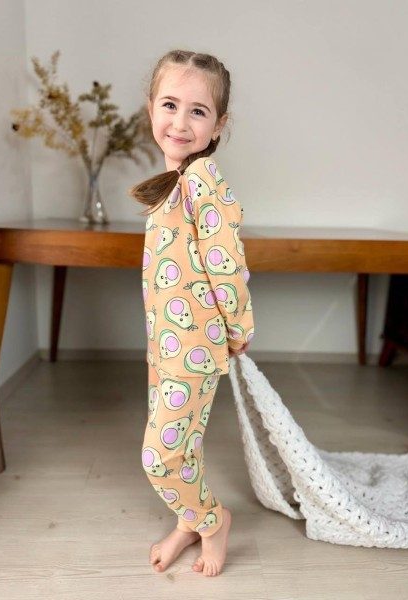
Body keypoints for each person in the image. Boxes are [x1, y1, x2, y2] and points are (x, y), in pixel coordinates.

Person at [129, 49, 255, 578]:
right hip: (166, 343)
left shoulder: (203, 181)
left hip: (195, 347)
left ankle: (211, 520)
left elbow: (227, 264)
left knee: (160, 456)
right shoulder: (172, 184)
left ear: (218, 124)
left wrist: (238, 328)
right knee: (186, 446)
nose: (180, 122)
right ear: (151, 109)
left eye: (198, 111)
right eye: (170, 105)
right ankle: (187, 521)